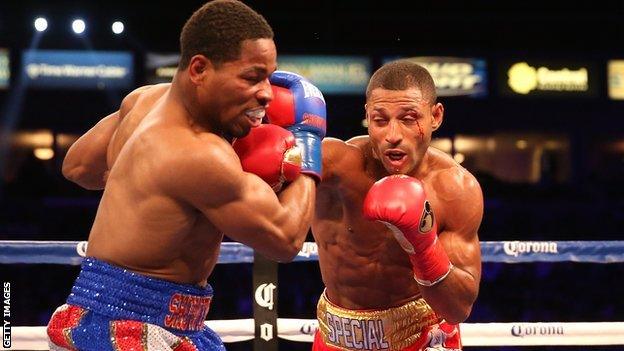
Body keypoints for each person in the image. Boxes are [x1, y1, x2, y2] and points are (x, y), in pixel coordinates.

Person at [46, 1, 326, 350]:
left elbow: (78, 167)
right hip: (133, 329)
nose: (267, 92)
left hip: (98, 315)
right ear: (199, 69)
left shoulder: (142, 101)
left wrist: (146, 179)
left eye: (269, 76)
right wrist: (308, 141)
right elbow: (285, 240)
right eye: (252, 77)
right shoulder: (200, 154)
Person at [304, 60, 483, 351]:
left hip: (421, 338)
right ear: (367, 117)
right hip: (335, 336)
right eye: (380, 119)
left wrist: (422, 246)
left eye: (409, 118)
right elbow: (256, 176)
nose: (393, 135)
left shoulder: (455, 189)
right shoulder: (335, 167)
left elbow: (458, 308)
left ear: (435, 116)